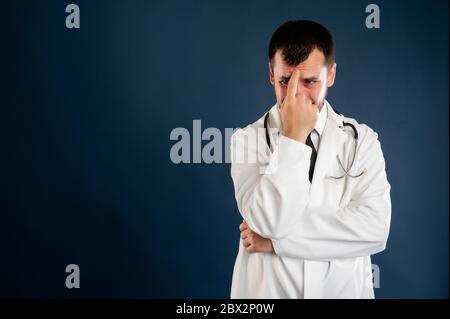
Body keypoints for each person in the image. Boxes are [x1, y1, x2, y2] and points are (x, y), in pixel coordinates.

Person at [230, 20, 391, 299]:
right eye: (284, 81)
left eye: (309, 81)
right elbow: (268, 223)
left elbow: (375, 230)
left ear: (330, 76)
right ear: (270, 74)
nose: (296, 95)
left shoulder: (362, 140)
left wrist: (276, 244)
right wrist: (293, 136)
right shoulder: (247, 140)